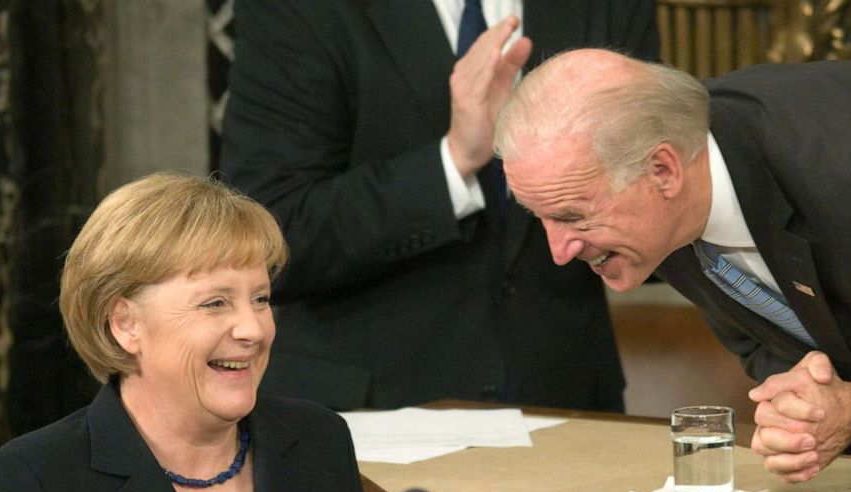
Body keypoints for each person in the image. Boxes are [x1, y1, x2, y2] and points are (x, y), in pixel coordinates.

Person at [494, 49, 851, 483]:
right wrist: (805, 408)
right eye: (539, 217)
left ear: (662, 171)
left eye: (571, 215)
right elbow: (765, 337)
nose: (558, 250)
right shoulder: (662, 206)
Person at [219, 1, 660, 413]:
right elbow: (268, 237)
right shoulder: (297, 9)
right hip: (373, 416)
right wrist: (453, 161)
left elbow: (654, 178)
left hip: (569, 402)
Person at [0, 174, 381, 492]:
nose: (253, 329)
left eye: (260, 299)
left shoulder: (318, 441)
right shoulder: (34, 480)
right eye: (215, 303)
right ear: (125, 323)